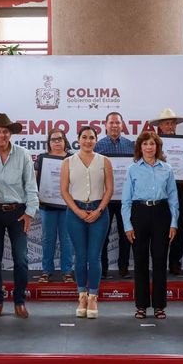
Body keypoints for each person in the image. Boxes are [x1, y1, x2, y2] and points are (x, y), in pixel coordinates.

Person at [0, 113, 39, 319]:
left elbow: (31, 185)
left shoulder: (23, 154)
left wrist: (30, 212)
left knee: (21, 259)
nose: (1, 135)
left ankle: (19, 301)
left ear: (10, 134)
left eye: (5, 131)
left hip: (18, 212)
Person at [122, 131, 179, 319]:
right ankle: (141, 306)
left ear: (158, 147)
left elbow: (173, 198)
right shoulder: (132, 169)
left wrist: (173, 223)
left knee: (160, 260)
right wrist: (128, 226)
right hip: (139, 214)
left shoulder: (167, 169)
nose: (149, 147)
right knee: (140, 261)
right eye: (145, 144)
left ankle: (159, 306)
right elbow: (126, 201)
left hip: (161, 214)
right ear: (140, 147)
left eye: (152, 144)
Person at [60, 126, 113, 319]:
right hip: (75, 213)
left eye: (92, 138)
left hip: (100, 211)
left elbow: (109, 189)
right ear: (78, 139)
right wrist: (78, 211)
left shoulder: (104, 161)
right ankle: (81, 295)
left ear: (96, 140)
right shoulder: (68, 162)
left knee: (94, 256)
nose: (88, 141)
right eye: (84, 137)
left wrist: (99, 210)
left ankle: (93, 297)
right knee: (80, 256)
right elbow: (64, 190)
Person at [151, 107, 183, 279]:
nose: (170, 126)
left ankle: (175, 263)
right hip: (159, 188)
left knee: (178, 225)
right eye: (166, 123)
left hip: (179, 188)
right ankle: (159, 263)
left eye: (172, 123)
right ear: (160, 127)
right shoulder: (153, 144)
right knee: (159, 227)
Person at [95, 111, 135, 279]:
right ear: (105, 125)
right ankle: (102, 268)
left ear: (122, 125)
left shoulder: (130, 146)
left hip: (125, 197)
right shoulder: (97, 146)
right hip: (104, 197)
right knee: (102, 234)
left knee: (126, 233)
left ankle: (123, 267)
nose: (114, 125)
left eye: (117, 123)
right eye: (111, 123)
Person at [35, 128, 74, 283]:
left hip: (68, 206)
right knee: (47, 239)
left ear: (65, 141)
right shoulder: (42, 158)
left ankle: (67, 272)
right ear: (49, 142)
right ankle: (46, 271)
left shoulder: (72, 158)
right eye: (53, 139)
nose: (57, 142)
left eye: (60, 139)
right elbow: (36, 179)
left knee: (67, 239)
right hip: (47, 205)